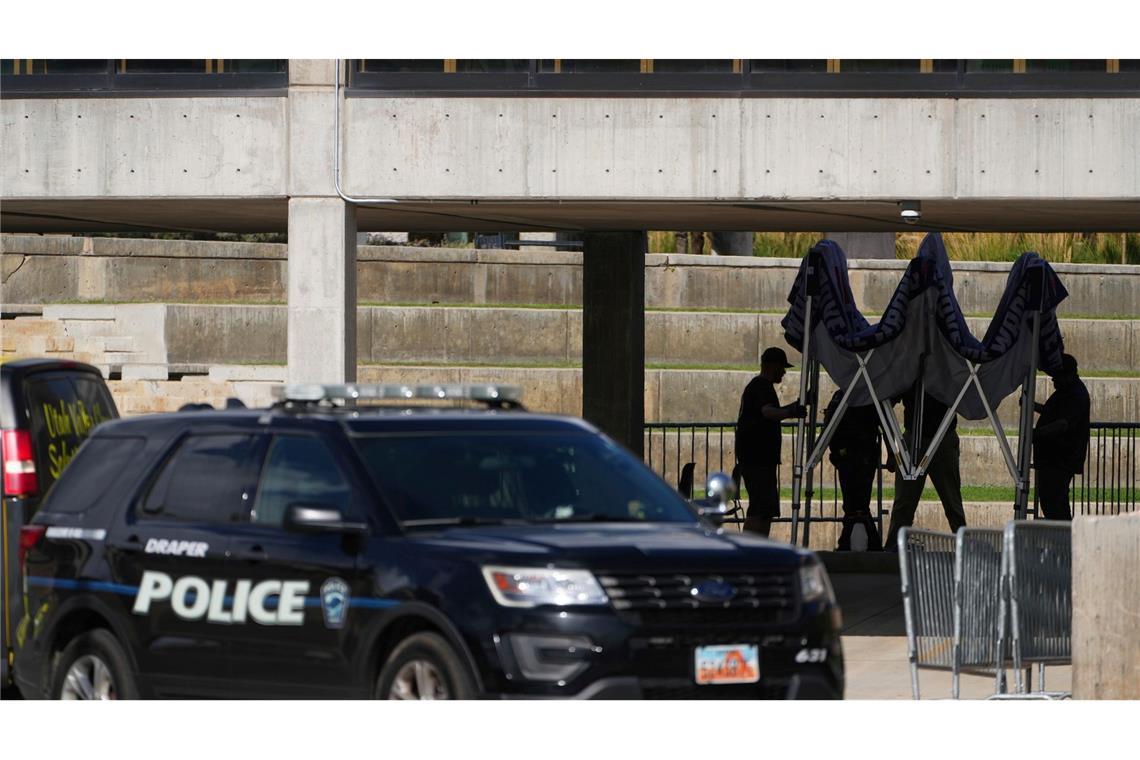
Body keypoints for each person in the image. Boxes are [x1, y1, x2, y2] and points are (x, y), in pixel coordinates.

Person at [883, 384, 967, 551]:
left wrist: (892, 451)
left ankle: (893, 546)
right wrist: (892, 451)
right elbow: (885, 405)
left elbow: (885, 406)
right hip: (926, 439)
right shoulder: (915, 371)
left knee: (951, 502)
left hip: (937, 438)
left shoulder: (918, 370)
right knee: (906, 503)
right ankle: (893, 546)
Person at [735, 347, 806, 537]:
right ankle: (750, 552)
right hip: (757, 459)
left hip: (759, 459)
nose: (784, 372)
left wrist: (796, 406)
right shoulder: (761, 387)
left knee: (764, 510)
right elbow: (769, 412)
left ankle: (757, 550)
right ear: (772, 365)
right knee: (759, 509)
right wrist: (792, 412)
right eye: (782, 367)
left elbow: (772, 410)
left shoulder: (758, 387)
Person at [823, 391, 884, 551]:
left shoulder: (841, 397)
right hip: (861, 456)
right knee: (858, 504)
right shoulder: (868, 396)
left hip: (853, 457)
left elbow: (830, 429)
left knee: (855, 504)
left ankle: (852, 543)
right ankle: (869, 544)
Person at [1033, 353, 1091, 521]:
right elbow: (1055, 414)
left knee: (1056, 506)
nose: (1053, 380)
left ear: (1067, 375)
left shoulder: (1075, 395)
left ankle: (1065, 543)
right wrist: (1034, 407)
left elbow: (1063, 424)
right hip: (1055, 460)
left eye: (1056, 376)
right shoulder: (1068, 392)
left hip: (1059, 460)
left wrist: (1037, 434)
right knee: (1053, 504)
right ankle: (1064, 542)